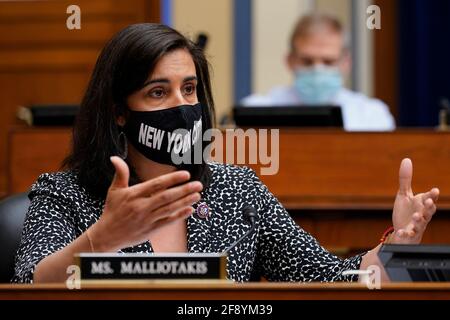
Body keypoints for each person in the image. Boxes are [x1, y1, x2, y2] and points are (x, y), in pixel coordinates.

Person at [12, 23, 438, 283]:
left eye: (190, 89)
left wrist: (396, 247)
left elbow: (325, 277)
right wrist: (100, 240)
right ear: (119, 112)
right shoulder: (65, 194)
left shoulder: (236, 189)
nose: (181, 105)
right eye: (158, 92)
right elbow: (31, 284)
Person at [240, 14, 396, 132]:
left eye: (328, 61)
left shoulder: (371, 117)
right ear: (290, 61)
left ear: (346, 63)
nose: (317, 70)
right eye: (307, 61)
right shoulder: (256, 111)